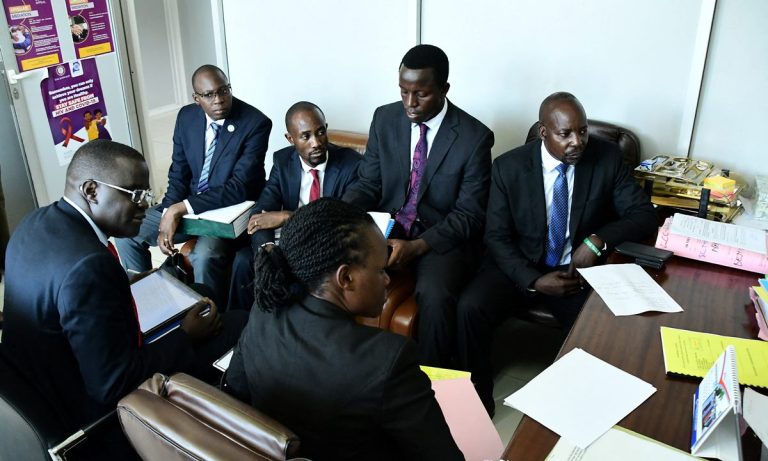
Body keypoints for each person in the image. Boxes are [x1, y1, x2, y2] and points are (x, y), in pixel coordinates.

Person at [2, 140, 247, 456]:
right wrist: (186, 335)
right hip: (89, 414)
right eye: (136, 195)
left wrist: (131, 287)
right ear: (92, 191)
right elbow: (112, 384)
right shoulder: (89, 266)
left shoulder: (35, 221)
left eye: (148, 195)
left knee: (202, 294)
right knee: (238, 322)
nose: (146, 206)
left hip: (41, 376)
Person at [456, 92, 657, 415]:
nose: (577, 141)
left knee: (596, 327)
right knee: (469, 307)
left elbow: (643, 213)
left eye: (582, 131)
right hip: (518, 265)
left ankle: (575, 409)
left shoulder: (605, 158)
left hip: (572, 272)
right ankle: (475, 402)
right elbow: (496, 236)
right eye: (566, 134)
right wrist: (534, 280)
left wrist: (596, 241)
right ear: (544, 133)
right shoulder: (508, 167)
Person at [226, 198, 463, 460]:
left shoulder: (265, 310)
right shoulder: (387, 358)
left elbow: (235, 392)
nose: (386, 280)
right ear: (346, 278)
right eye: (381, 270)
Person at [343, 44, 494, 367]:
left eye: (421, 94)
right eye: (403, 91)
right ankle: (344, 369)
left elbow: (469, 215)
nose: (409, 103)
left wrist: (417, 247)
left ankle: (433, 387)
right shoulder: (385, 118)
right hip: (386, 227)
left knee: (436, 297)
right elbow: (369, 184)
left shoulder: (474, 137)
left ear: (444, 89)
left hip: (440, 238)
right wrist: (340, 216)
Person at [114, 64, 272, 305]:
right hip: (189, 206)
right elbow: (179, 172)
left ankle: (210, 317)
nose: (219, 100)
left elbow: (239, 187)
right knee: (127, 232)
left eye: (224, 91)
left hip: (227, 212)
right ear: (196, 98)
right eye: (209, 95)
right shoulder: (187, 118)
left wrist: (181, 208)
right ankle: (146, 301)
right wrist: (168, 212)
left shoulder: (255, 123)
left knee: (205, 255)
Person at [227, 101, 360, 310]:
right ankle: (241, 329)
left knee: (294, 272)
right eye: (306, 136)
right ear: (291, 139)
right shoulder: (283, 161)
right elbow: (261, 213)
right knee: (244, 261)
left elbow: (339, 218)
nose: (316, 143)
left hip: (325, 243)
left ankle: (285, 334)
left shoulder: (350, 163)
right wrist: (267, 249)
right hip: (290, 239)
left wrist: (287, 216)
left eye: (320, 132)